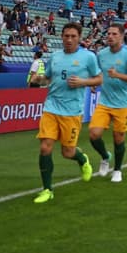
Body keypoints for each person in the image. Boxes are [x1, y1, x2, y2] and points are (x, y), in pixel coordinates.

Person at [33, 22, 98, 203]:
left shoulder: (88, 57)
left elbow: (99, 79)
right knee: (45, 147)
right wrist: (38, 79)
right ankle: (47, 190)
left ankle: (82, 159)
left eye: (73, 36)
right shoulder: (54, 56)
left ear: (79, 38)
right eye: (66, 36)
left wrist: (83, 82)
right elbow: (47, 78)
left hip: (72, 112)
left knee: (67, 152)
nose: (69, 39)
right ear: (61, 37)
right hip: (51, 107)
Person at [90, 23, 127, 183]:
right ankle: (105, 156)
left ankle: (118, 170)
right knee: (94, 134)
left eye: (114, 34)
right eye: (109, 33)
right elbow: (97, 72)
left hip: (123, 103)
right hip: (104, 101)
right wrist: (94, 82)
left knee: (118, 138)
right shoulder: (102, 54)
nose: (110, 36)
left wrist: (118, 75)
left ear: (121, 36)